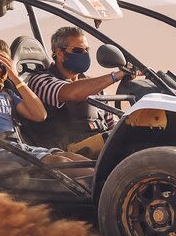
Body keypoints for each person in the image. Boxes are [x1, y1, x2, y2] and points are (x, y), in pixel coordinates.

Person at [0, 39, 91, 173]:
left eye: (4, 64)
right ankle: (103, 191)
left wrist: (15, 78)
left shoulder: (7, 93)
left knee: (73, 158)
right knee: (59, 162)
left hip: (19, 146)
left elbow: (39, 114)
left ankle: (105, 185)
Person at [26, 26, 135, 154]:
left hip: (100, 149)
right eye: (78, 50)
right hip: (66, 155)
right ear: (60, 54)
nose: (84, 54)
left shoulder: (95, 86)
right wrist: (116, 75)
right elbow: (72, 93)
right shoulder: (41, 80)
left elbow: (112, 124)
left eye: (86, 50)